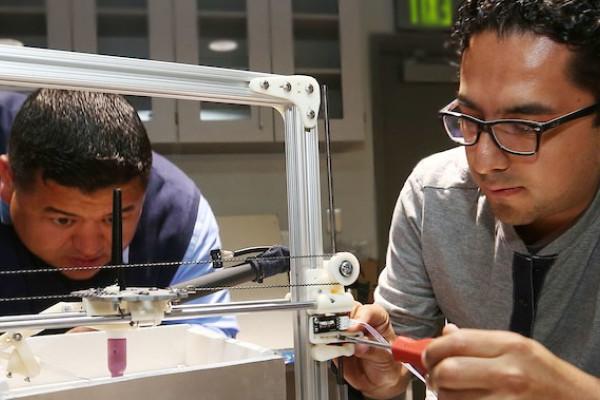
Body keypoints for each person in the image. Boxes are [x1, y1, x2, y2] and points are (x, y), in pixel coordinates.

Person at [344, 1, 600, 398]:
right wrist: (384, 368)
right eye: (468, 118)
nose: (483, 161)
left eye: (521, 126)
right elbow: (399, 369)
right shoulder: (433, 195)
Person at [0, 89, 238, 338]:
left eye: (113, 218)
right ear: (7, 180)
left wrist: (137, 350)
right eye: (63, 220)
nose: (89, 248)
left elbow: (209, 338)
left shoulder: (178, 217)